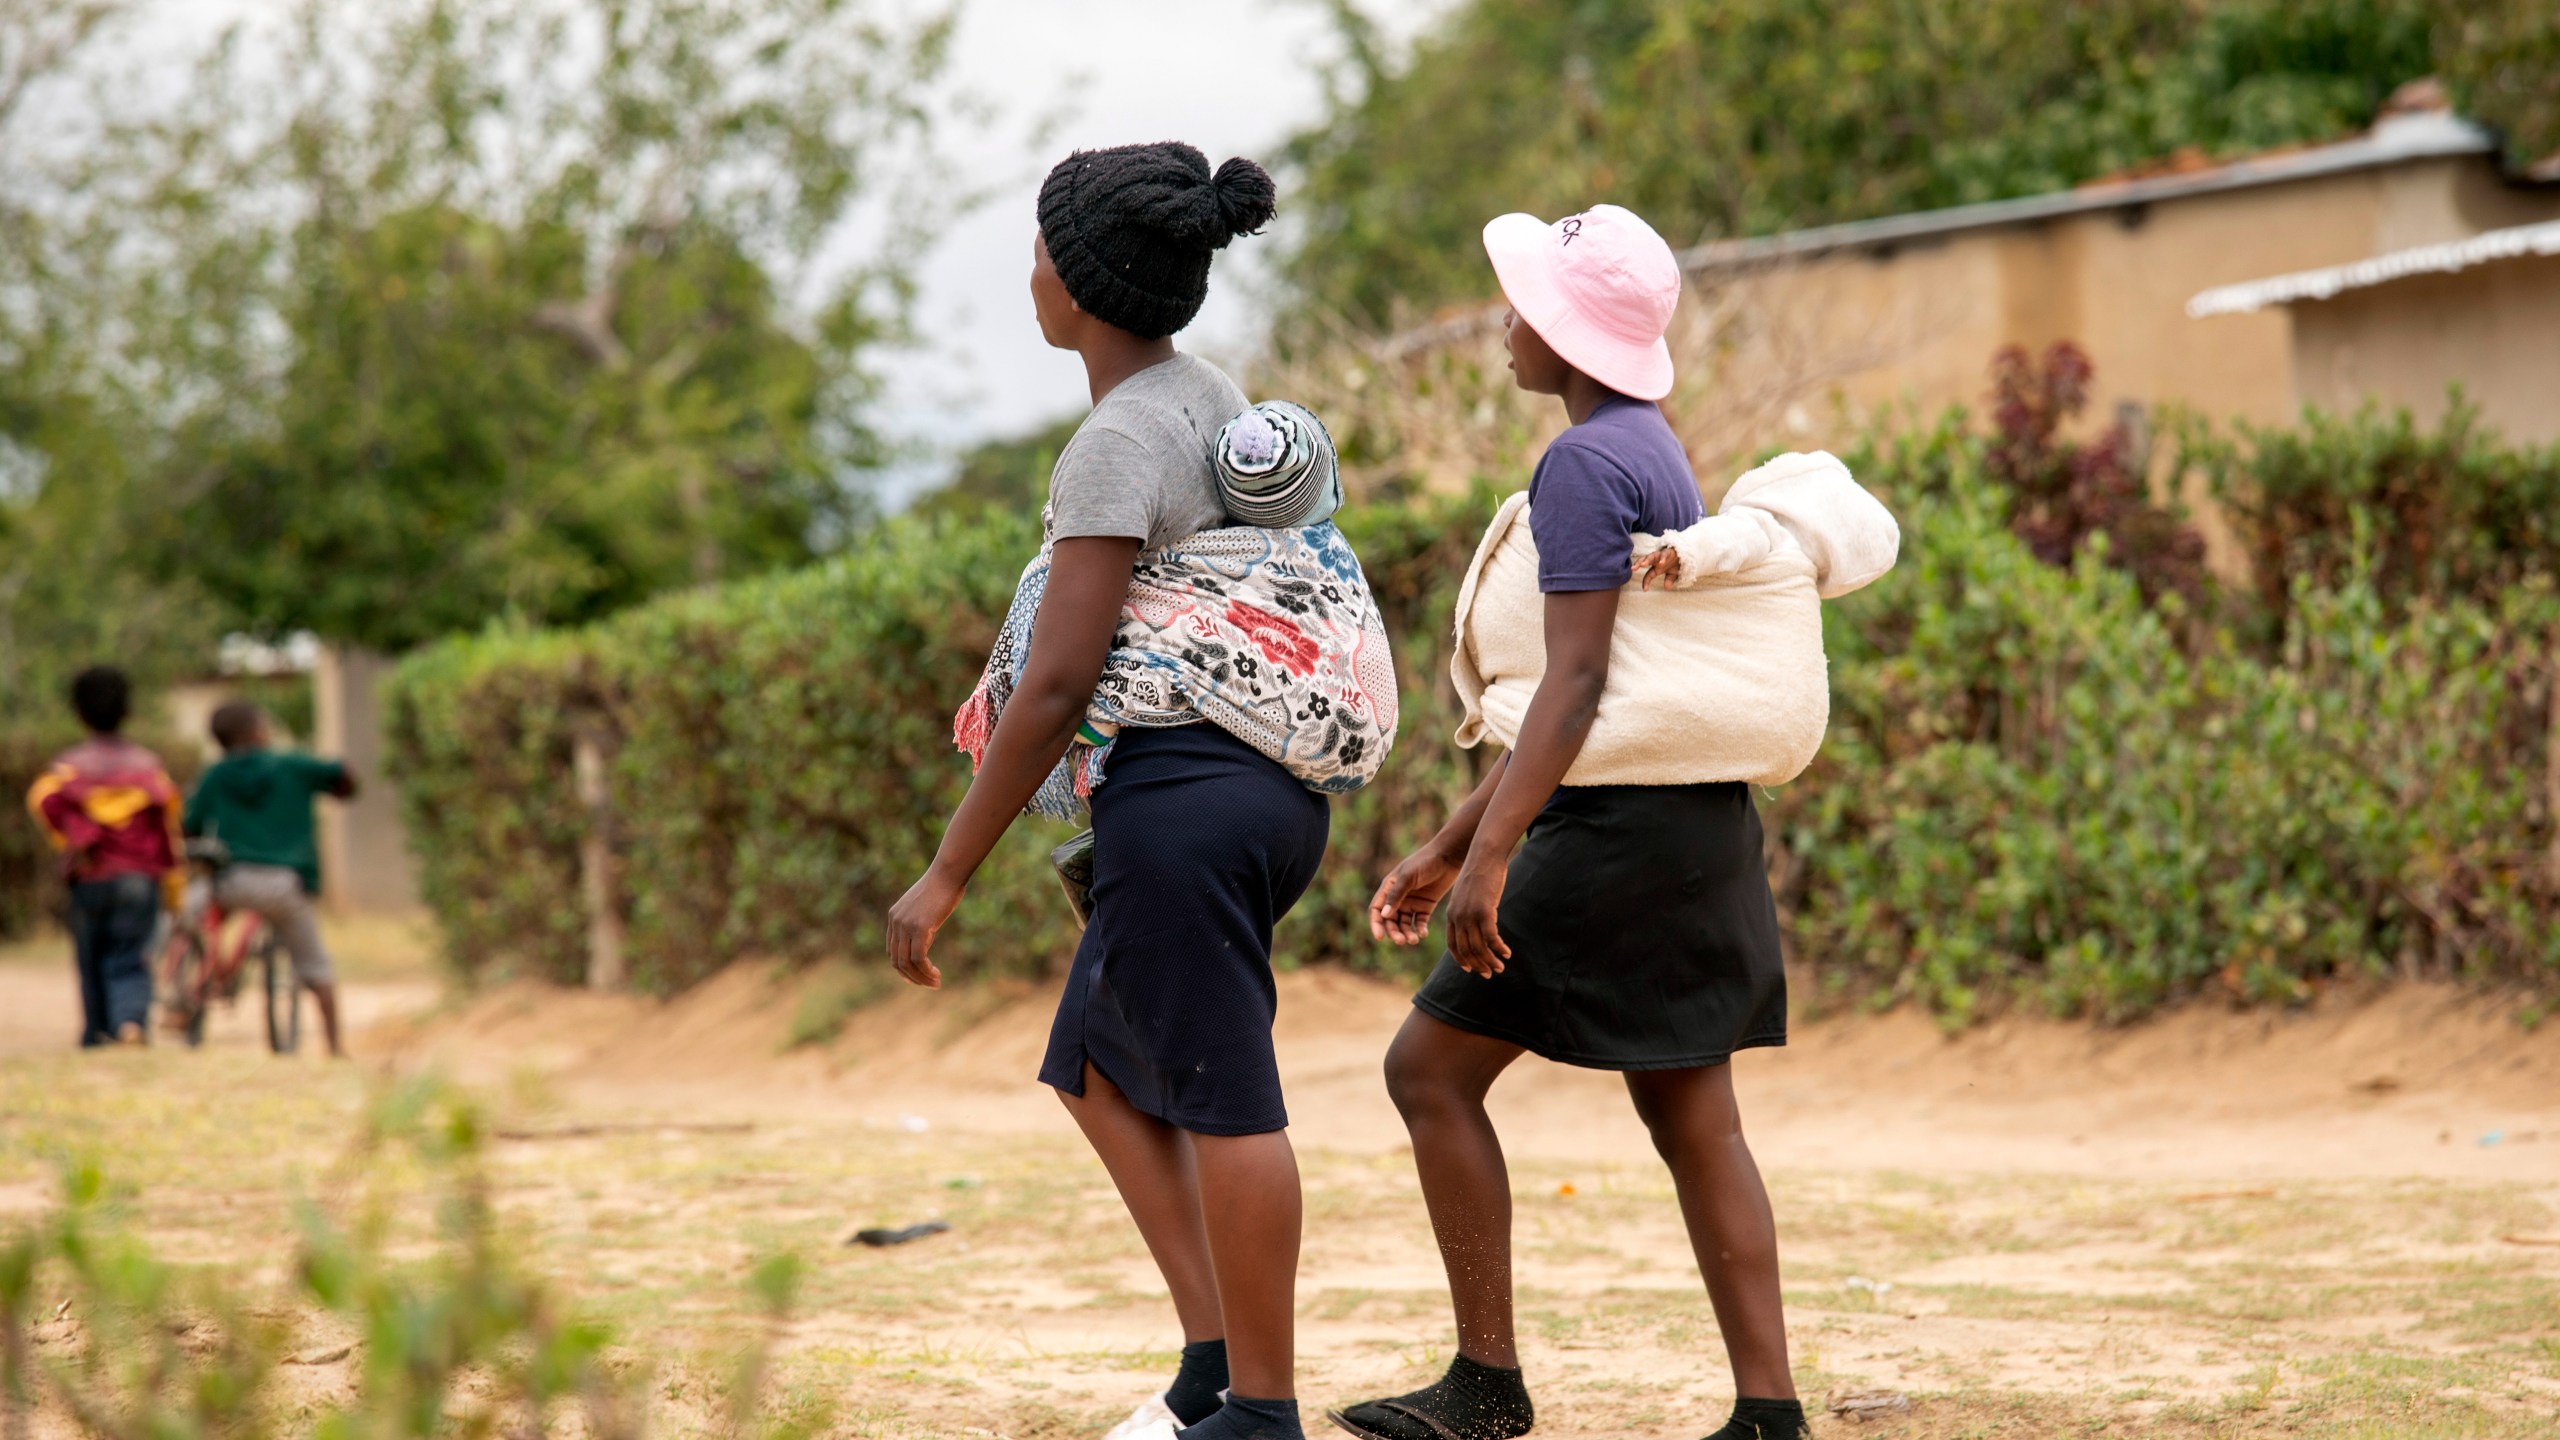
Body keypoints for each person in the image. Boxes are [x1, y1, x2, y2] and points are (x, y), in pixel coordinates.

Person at [889, 142, 1371, 1440]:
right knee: (1100, 1066)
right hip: (1266, 793)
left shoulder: (1115, 442)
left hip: (1183, 797)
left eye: (1045, 250)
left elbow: (1059, 682)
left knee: (1226, 1097)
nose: (1032, 272)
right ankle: (1214, 1368)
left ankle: (1260, 1414)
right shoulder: (1212, 394)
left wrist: (947, 871)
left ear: (1087, 288)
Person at [1336, 206, 1812, 1440]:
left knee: (1426, 1071)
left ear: (1563, 330)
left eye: (1519, 305)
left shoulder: (1583, 465)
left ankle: (1486, 1383)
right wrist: (1447, 845)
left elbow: (1579, 687)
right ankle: (1768, 1410)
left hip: (1608, 838)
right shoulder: (1650, 446)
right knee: (1693, 1116)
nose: (1503, 324)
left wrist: (1485, 859)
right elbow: (1617, 694)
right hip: (1697, 833)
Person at [182, 700, 357, 1058]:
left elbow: (190, 825)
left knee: (186, 914)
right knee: (314, 963)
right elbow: (342, 776)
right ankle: (335, 1046)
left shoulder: (216, 775)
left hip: (230, 881)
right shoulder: (292, 765)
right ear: (259, 732)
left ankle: (183, 987)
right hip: (284, 886)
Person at [27, 666, 183, 1047]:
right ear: (127, 711)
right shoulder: (148, 769)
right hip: (138, 879)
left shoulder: (68, 769)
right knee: (131, 954)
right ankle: (129, 1022)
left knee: (90, 958)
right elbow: (167, 827)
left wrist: (69, 840)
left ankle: (96, 1031)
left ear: (79, 713)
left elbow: (42, 801)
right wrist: (174, 885)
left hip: (89, 876)